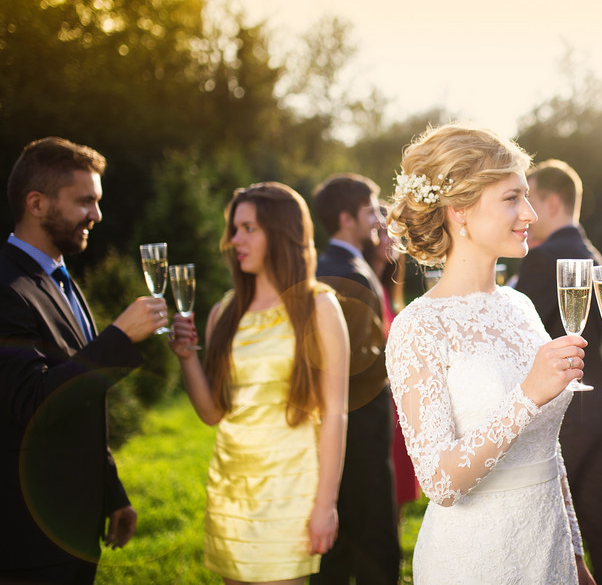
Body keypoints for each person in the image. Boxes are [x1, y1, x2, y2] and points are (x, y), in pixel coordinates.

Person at [385, 124, 596, 584]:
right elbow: (439, 482)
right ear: (459, 209)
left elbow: (549, 449)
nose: (530, 214)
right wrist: (526, 396)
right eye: (512, 198)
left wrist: (576, 557)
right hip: (476, 559)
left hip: (550, 550)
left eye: (527, 196)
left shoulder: (519, 306)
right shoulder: (417, 327)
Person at [0, 137, 168, 584]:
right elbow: (33, 401)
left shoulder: (59, 278)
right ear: (36, 204)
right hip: (28, 538)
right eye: (85, 201)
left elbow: (79, 400)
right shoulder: (7, 286)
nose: (97, 215)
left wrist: (111, 493)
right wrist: (118, 337)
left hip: (75, 525)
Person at [168, 182, 350, 584]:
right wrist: (187, 358)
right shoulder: (224, 312)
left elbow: (335, 414)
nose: (234, 240)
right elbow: (211, 413)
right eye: (234, 229)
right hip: (231, 489)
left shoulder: (319, 306)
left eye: (248, 228)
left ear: (281, 232)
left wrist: (325, 504)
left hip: (290, 492)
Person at [514, 159, 602, 585]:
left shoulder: (546, 259)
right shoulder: (590, 253)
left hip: (563, 410)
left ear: (552, 203)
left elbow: (521, 334)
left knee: (548, 521)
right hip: (597, 403)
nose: (525, 211)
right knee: (599, 518)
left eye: (531, 198)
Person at [312, 174, 401, 585]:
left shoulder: (327, 265)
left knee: (342, 545)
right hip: (361, 426)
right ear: (347, 218)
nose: (378, 220)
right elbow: (360, 363)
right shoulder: (348, 272)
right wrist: (413, 353)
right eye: (371, 211)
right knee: (376, 542)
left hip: (340, 423)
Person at [363, 205, 422, 516]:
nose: (390, 240)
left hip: (395, 404)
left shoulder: (389, 291)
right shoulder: (358, 285)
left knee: (391, 503)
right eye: (383, 231)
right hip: (373, 404)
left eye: (395, 234)